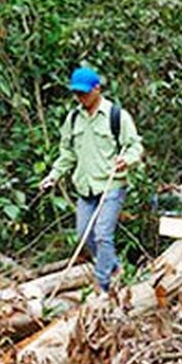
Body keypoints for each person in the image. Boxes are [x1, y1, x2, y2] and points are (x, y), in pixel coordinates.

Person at [40, 67, 143, 293]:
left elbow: (135, 146)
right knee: (83, 234)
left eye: (84, 93)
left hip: (111, 185)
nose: (80, 98)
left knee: (103, 234)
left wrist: (127, 160)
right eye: (77, 93)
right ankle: (114, 267)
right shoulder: (74, 118)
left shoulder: (116, 116)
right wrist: (53, 176)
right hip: (85, 188)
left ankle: (102, 286)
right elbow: (67, 153)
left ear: (97, 88)